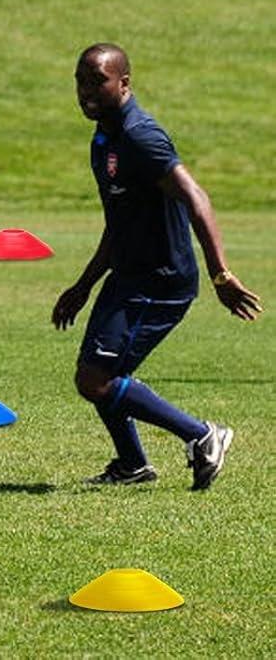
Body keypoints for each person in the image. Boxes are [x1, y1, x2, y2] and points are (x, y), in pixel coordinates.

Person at [52, 43, 262, 490]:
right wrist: (84, 284)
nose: (86, 91)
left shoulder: (140, 136)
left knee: (96, 378)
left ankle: (202, 434)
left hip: (160, 280)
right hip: (128, 273)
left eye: (98, 81)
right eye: (80, 81)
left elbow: (196, 197)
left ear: (124, 83)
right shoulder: (105, 135)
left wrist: (220, 273)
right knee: (97, 373)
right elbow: (120, 221)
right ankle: (132, 464)